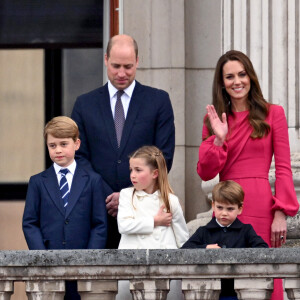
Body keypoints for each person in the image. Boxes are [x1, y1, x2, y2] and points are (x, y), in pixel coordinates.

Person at [197, 50, 299, 299]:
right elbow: (206, 170)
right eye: (229, 76)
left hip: (261, 204)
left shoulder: (273, 113)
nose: (237, 81)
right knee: (227, 278)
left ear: (250, 77)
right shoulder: (213, 119)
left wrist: (280, 212)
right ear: (222, 83)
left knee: (264, 274)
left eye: (242, 74)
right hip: (226, 205)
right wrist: (219, 139)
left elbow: (284, 167)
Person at [71, 34, 175, 249]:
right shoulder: (84, 104)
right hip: (97, 213)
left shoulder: (158, 101)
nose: (121, 73)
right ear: (106, 59)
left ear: (137, 61)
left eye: (128, 66)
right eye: (115, 65)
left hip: (144, 212)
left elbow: (163, 155)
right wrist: (108, 196)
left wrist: (128, 196)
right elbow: (78, 156)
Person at [22, 116, 107, 300]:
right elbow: (30, 222)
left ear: (77, 144)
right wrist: (42, 257)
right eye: (52, 145)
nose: (58, 150)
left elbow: (99, 224)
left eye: (63, 144)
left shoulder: (92, 180)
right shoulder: (37, 182)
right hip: (49, 264)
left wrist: (90, 259)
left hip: (83, 266)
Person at [117, 145, 189, 300]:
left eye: (138, 170)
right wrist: (155, 221)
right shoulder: (126, 195)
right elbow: (124, 225)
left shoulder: (171, 201)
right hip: (131, 267)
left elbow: (182, 239)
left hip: (164, 269)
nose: (132, 175)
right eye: (131, 170)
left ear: (155, 173)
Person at [182, 180, 268, 300]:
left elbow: (263, 249)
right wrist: (205, 248)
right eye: (220, 207)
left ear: (240, 209)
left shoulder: (246, 231)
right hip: (210, 292)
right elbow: (184, 251)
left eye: (230, 209)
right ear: (213, 206)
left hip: (239, 292)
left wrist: (241, 255)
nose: (224, 213)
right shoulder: (204, 231)